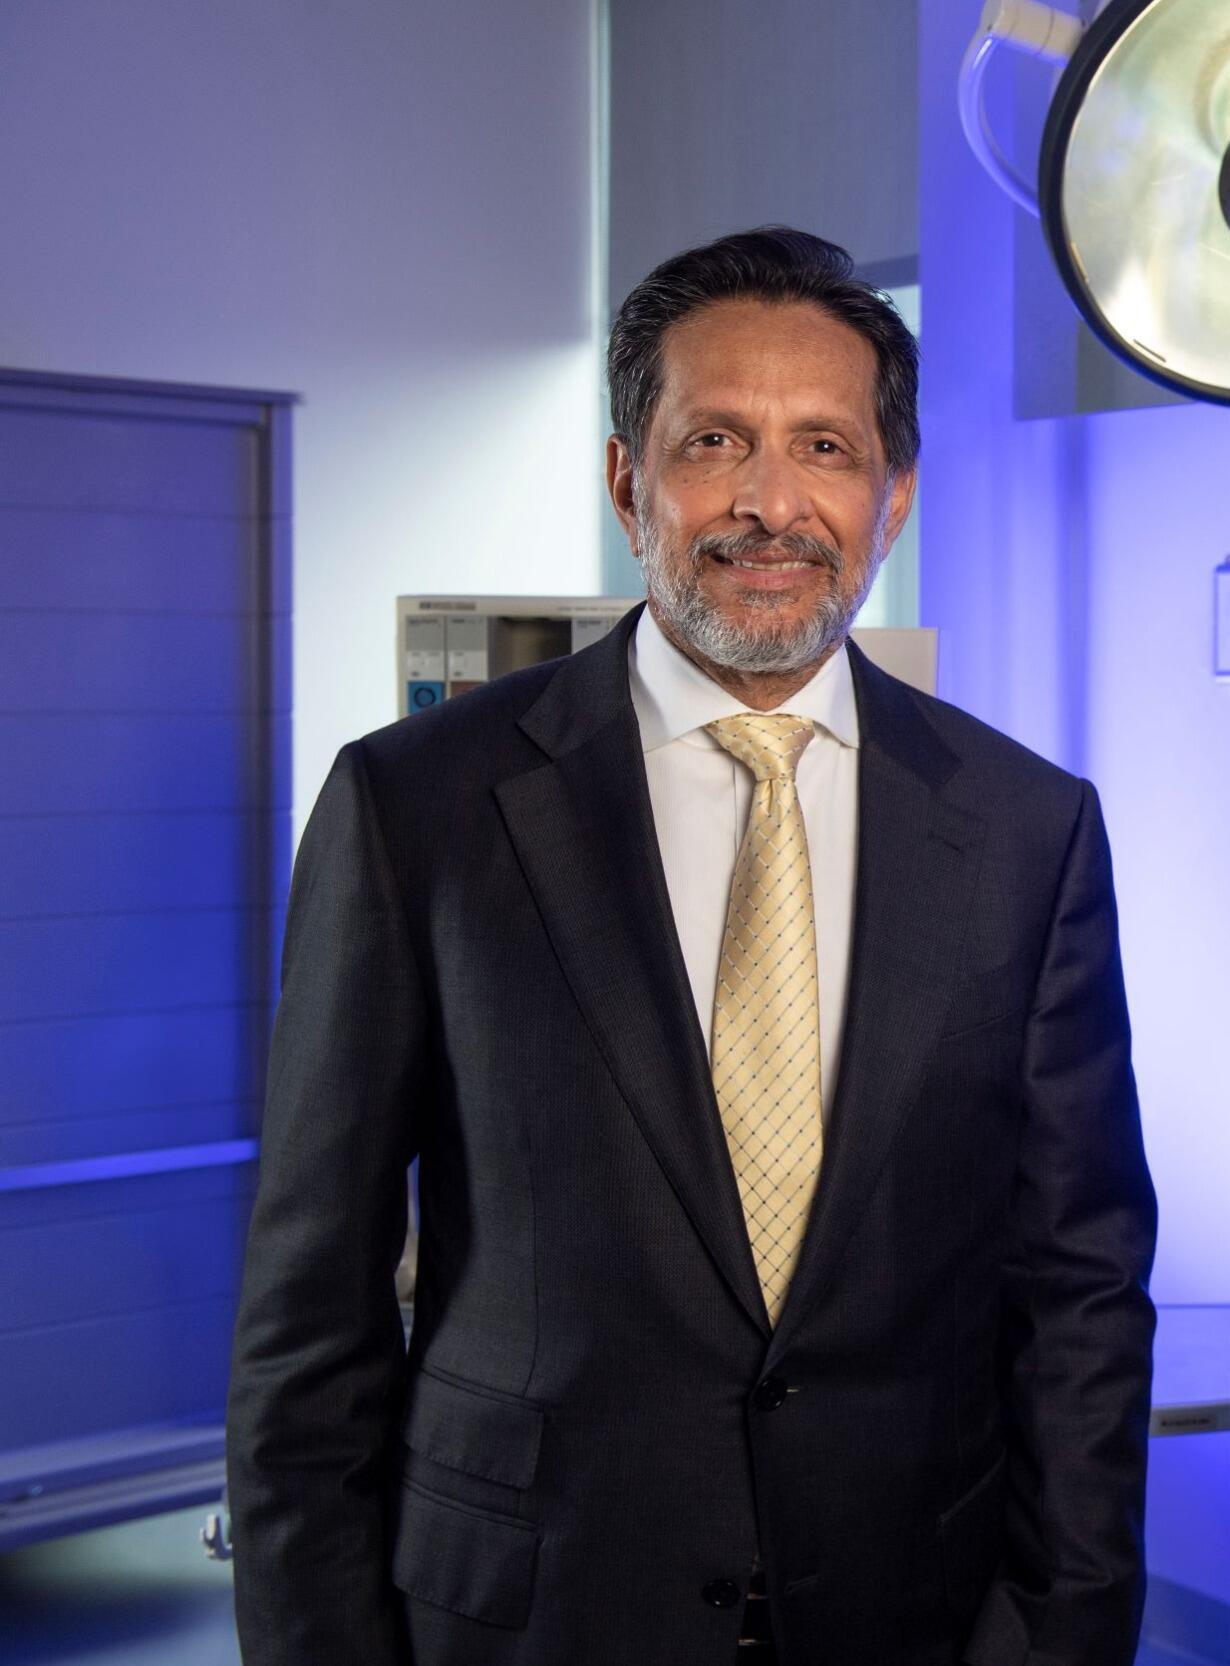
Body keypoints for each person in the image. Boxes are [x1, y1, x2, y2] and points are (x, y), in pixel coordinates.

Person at [228, 227, 1156, 1666]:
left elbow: (1078, 1289)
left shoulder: (1031, 828)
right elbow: (309, 1312)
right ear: (627, 480)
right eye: (715, 439)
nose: (769, 502)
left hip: (912, 1611)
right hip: (526, 1616)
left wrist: (1063, 1628)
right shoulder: (419, 804)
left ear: (893, 495)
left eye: (827, 448)